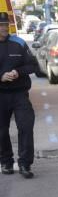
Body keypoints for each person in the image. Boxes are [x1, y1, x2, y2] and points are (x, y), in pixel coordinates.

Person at [0, 12, 38, 178]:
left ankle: (25, 164)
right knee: (1, 131)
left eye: (5, 25)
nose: (4, 28)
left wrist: (18, 72)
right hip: (1, 95)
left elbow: (33, 66)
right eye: (1, 26)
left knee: (26, 127)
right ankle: (6, 162)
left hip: (20, 94)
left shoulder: (19, 43)